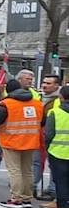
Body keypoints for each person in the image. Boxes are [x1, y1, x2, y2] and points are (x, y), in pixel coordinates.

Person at [0, 74, 43, 208]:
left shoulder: (6, 104)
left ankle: (16, 198)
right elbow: (41, 122)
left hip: (12, 140)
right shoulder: (37, 103)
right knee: (27, 170)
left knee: (15, 170)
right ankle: (26, 197)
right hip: (31, 140)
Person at [42, 84, 69, 208]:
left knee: (61, 182)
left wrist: (47, 147)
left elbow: (49, 134)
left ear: (61, 97)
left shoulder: (55, 112)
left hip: (58, 152)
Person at [34, 73, 62, 201]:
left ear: (57, 85)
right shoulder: (38, 96)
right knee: (36, 162)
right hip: (38, 134)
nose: (44, 85)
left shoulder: (59, 100)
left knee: (54, 165)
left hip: (55, 137)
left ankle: (52, 190)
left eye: (48, 83)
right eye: (44, 82)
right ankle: (33, 186)